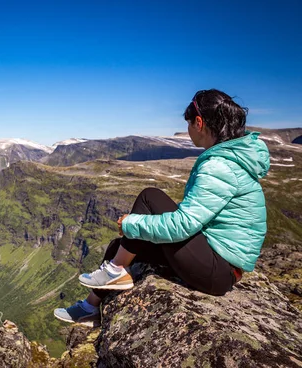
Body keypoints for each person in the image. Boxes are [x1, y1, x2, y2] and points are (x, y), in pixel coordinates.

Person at [54, 89, 270, 326]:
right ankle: (90, 306)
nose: (188, 130)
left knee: (150, 198)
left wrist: (131, 223)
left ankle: (115, 270)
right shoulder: (229, 161)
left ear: (198, 122)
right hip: (216, 261)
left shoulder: (219, 166)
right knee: (121, 246)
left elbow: (183, 225)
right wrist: (137, 229)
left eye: (188, 123)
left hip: (218, 270)